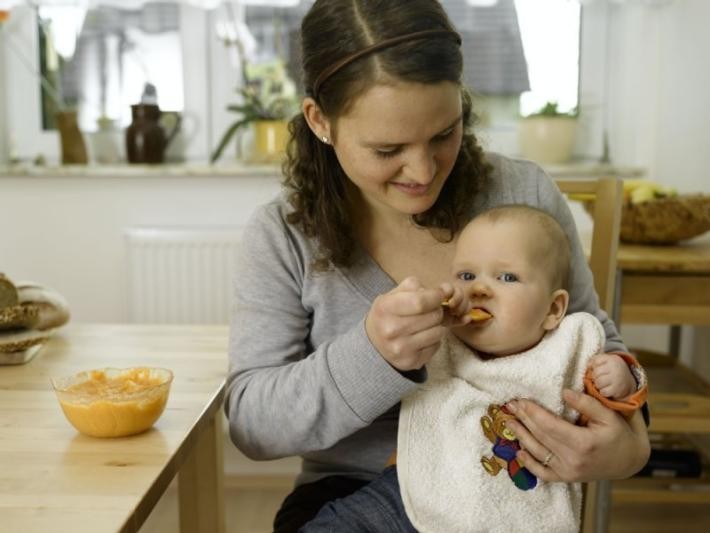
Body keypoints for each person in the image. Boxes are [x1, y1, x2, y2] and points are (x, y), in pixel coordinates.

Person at [223, 1, 651, 531]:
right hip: (358, 497)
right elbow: (251, 424)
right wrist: (373, 356)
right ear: (320, 121)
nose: (423, 172)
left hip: (510, 495)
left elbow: (595, 348)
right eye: (388, 149)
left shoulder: (523, 194)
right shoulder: (283, 236)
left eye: (444, 134)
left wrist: (627, 450)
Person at [301, 205, 648, 532]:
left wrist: (622, 377)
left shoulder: (568, 349)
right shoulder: (439, 337)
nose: (480, 288)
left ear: (553, 309)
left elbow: (620, 398)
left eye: (507, 277)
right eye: (467, 275)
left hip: (517, 507)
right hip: (413, 494)